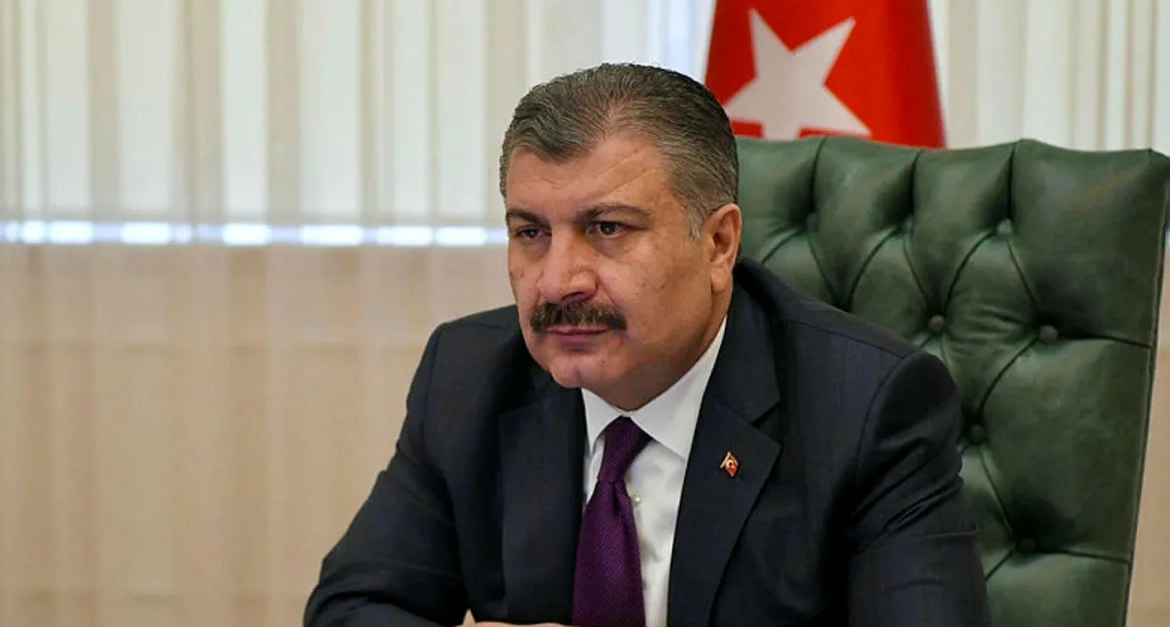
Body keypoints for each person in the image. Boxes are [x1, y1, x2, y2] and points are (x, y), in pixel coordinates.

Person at [303, 62, 991, 627]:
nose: (557, 281)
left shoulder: (864, 406)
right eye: (530, 232)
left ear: (718, 244)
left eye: (607, 228)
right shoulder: (468, 374)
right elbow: (351, 609)